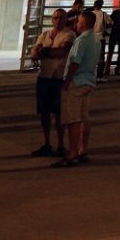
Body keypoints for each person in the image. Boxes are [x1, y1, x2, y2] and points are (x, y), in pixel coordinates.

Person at [54, 10, 100, 168]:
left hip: (77, 82)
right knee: (84, 117)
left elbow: (75, 62)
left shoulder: (81, 40)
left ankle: (72, 153)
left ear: (84, 23)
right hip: (88, 81)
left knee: (73, 119)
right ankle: (83, 149)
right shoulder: (96, 39)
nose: (76, 23)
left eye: (79, 21)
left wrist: (67, 82)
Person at [29, 8, 76, 157]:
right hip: (44, 77)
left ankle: (61, 144)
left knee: (59, 113)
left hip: (59, 78)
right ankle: (46, 143)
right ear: (52, 19)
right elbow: (34, 54)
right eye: (56, 18)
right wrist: (47, 52)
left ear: (66, 20)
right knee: (44, 113)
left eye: (61, 18)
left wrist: (44, 51)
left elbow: (62, 52)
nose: (58, 20)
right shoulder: (44, 34)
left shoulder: (69, 34)